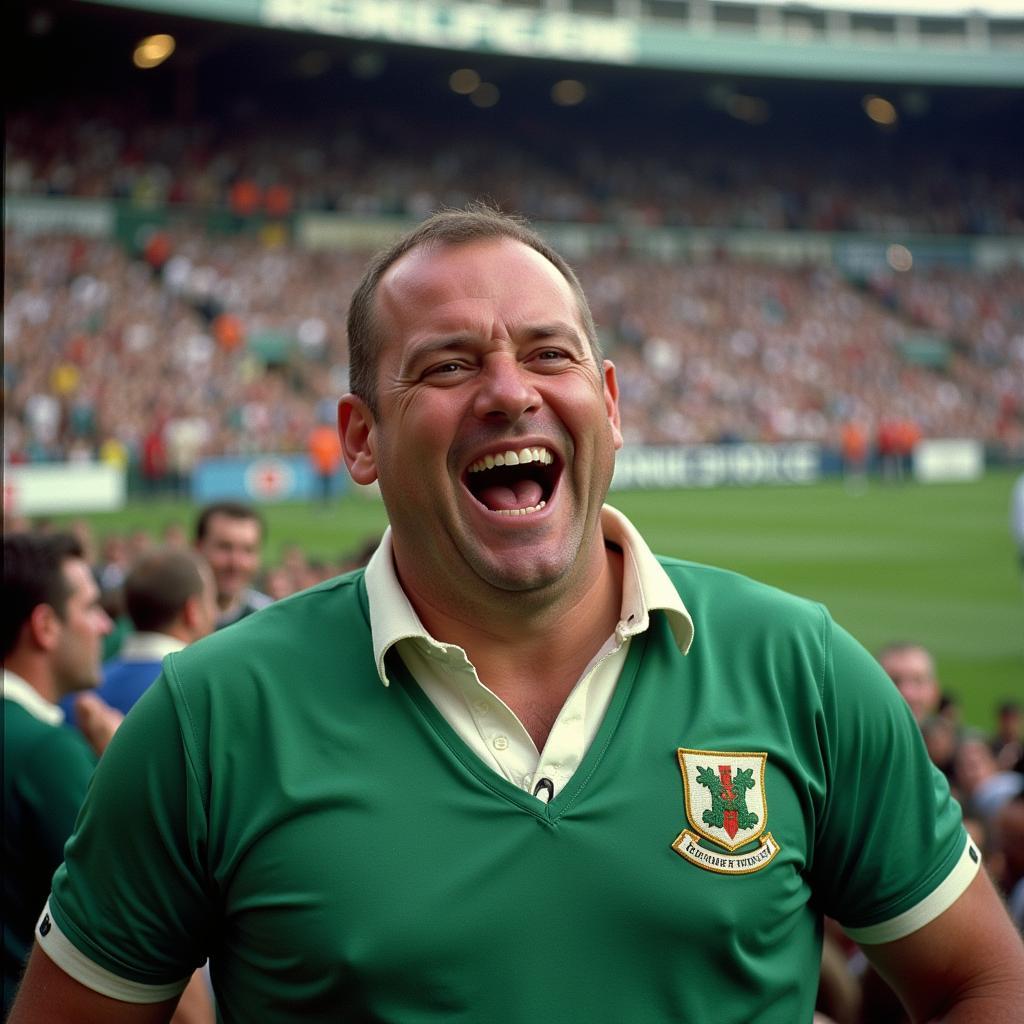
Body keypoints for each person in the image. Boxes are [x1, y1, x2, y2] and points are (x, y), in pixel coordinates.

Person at [10, 207, 1024, 1022]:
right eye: (449, 365)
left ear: (611, 404)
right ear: (359, 439)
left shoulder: (797, 665)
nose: (509, 393)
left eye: (549, 355)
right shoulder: (211, 712)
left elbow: (983, 978)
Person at [2, 533, 115, 1011]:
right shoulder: (46, 752)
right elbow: (121, 911)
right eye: (90, 608)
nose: (106, 624)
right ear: (46, 626)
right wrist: (120, 768)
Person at [90, 547, 218, 716]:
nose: (215, 612)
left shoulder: (84, 692)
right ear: (192, 611)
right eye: (211, 601)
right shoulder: (204, 694)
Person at [193, 501, 271, 629]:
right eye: (225, 547)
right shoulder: (169, 617)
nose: (236, 563)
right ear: (198, 549)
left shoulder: (267, 618)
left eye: (248, 550)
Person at [877, 640, 942, 725]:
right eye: (894, 681)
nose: (907, 693)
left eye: (918, 681)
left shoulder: (958, 737)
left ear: (934, 691)